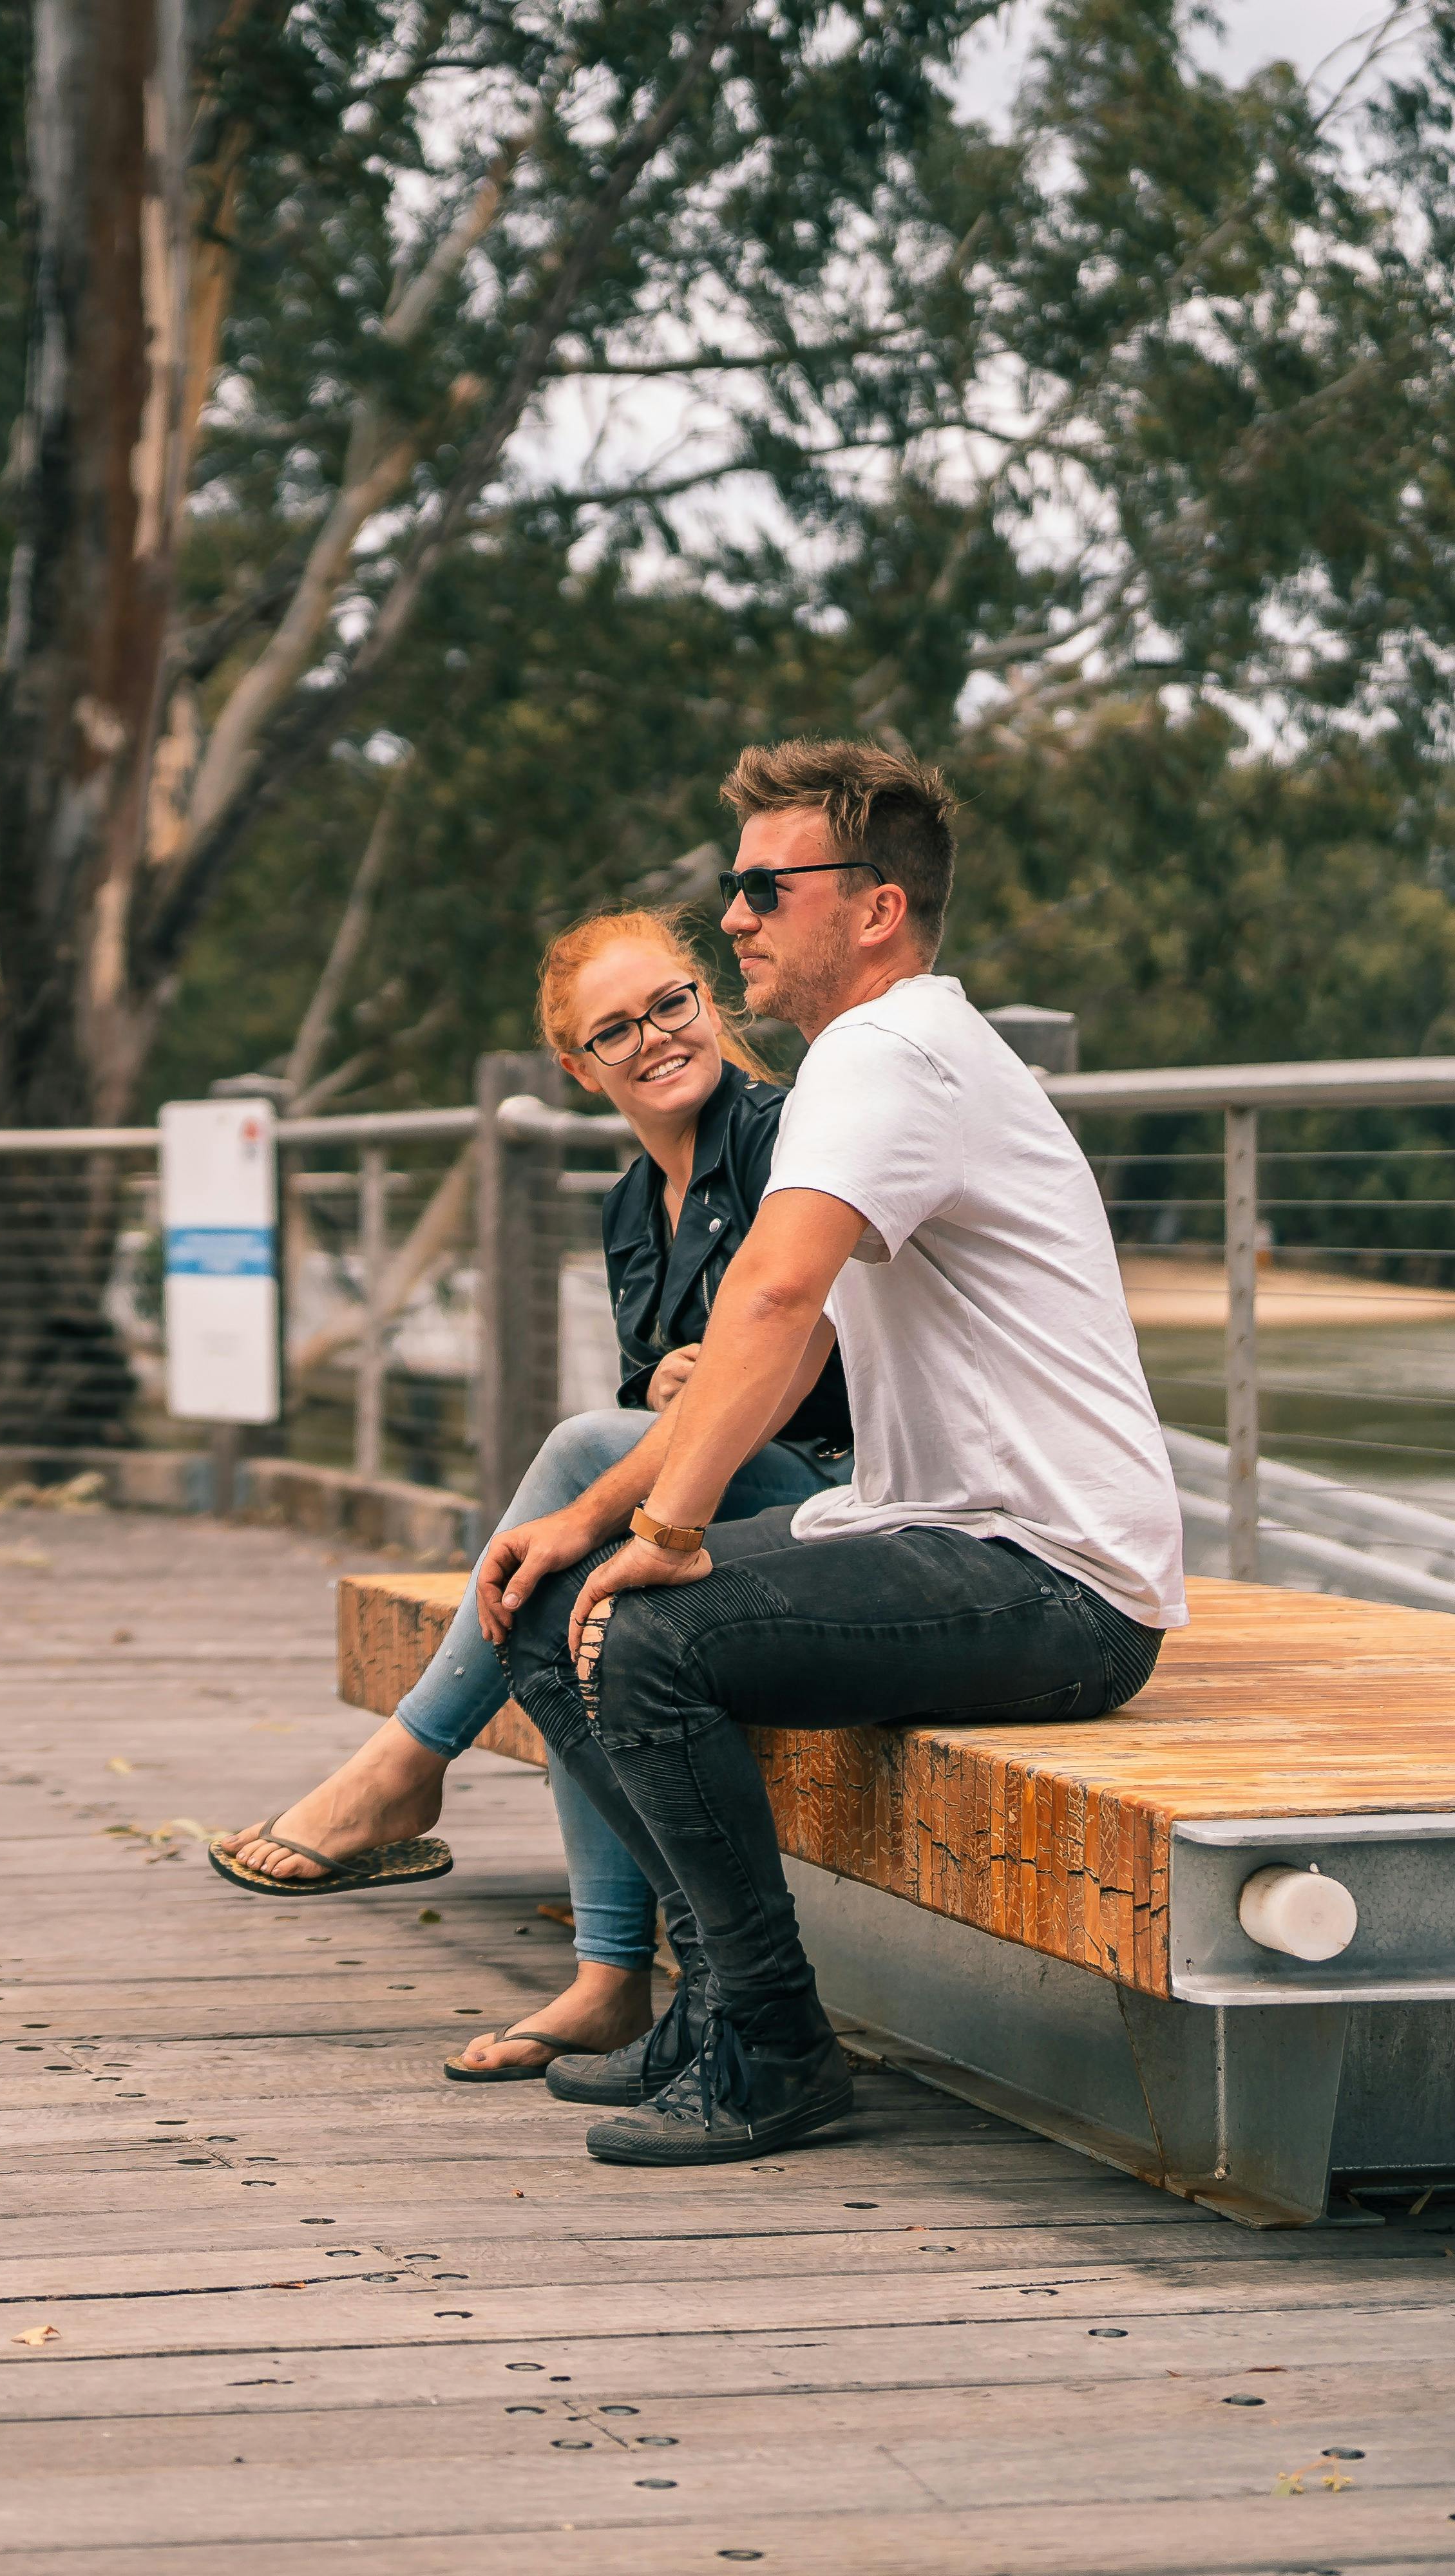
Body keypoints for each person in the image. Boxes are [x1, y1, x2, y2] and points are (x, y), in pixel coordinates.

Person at [482, 739, 1183, 2167]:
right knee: (549, 1612)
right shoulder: (870, 1062)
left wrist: (668, 1537)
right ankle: (717, 2002)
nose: (732, 916)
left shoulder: (891, 1049)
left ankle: (776, 2046)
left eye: (762, 886)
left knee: (650, 1636)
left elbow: (774, 1298)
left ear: (873, 909)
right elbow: (783, 1338)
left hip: (1060, 1582)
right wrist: (599, 1515)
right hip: (940, 1537)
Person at [211, 909, 857, 2089]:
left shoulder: (786, 1138)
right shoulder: (626, 1211)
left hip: (843, 1496)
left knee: (576, 1470)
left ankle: (406, 1763)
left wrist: (697, 1386)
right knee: (569, 1581)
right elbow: (665, 1399)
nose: (657, 1038)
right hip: (720, 1498)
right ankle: (609, 1980)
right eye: (616, 1031)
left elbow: (802, 1354)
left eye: (672, 1003)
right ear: (578, 1069)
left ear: (708, 1001)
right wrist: (681, 1382)